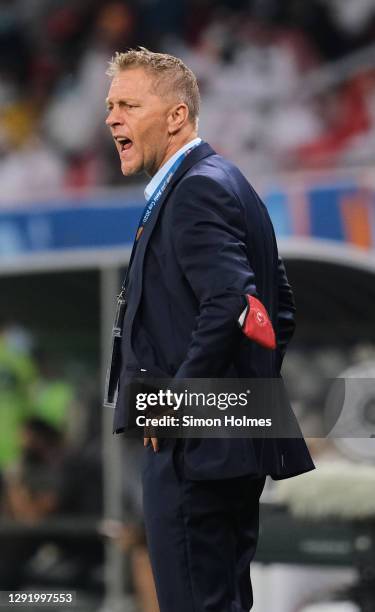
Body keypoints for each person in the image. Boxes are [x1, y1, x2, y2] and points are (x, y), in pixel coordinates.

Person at [104, 46, 315, 612]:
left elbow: (230, 303)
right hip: (223, 440)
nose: (111, 118)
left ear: (176, 116)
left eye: (128, 103)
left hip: (194, 446)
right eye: (109, 106)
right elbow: (277, 311)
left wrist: (183, 405)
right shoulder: (227, 181)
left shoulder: (196, 188)